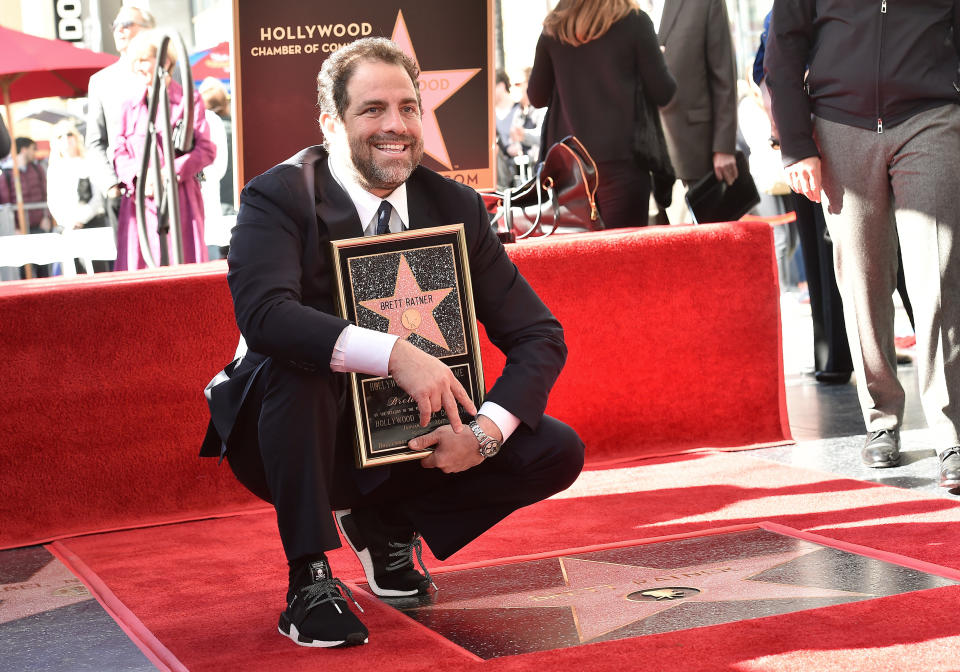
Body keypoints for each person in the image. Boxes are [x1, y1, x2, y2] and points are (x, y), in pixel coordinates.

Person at [199, 37, 584, 649]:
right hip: (293, 435)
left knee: (555, 449)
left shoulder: (454, 203)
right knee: (297, 368)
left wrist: (481, 436)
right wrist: (396, 353)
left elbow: (539, 334)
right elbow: (265, 315)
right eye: (372, 109)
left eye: (408, 108)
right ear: (330, 122)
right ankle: (310, 579)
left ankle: (385, 525)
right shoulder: (279, 196)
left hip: (411, 436)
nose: (396, 126)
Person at [765, 0, 960, 489]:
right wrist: (795, 144)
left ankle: (952, 430)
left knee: (938, 273)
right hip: (839, 126)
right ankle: (881, 420)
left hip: (931, 116)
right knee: (861, 276)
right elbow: (783, 45)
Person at [527, 0, 676, 229]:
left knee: (581, 259)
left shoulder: (554, 29)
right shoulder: (635, 21)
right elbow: (663, 92)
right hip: (625, 164)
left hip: (571, 171)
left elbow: (537, 97)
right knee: (627, 256)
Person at [113, 30, 215, 270]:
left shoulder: (188, 100)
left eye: (143, 60)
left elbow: (206, 150)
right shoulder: (129, 104)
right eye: (134, 61)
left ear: (165, 62)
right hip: (141, 204)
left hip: (179, 202)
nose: (137, 67)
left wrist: (168, 173)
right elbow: (118, 150)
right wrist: (139, 178)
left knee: (183, 272)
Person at [651, 0, 738, 224]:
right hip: (642, 159)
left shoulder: (705, 4)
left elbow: (723, 77)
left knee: (702, 249)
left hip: (693, 152)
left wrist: (723, 146)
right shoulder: (621, 7)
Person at [85, 3, 156, 240]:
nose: (119, 30)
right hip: (123, 192)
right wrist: (110, 186)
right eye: (115, 25)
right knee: (130, 270)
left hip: (167, 189)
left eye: (127, 24)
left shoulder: (168, 71)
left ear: (149, 29)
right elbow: (94, 142)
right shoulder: (101, 81)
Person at [45, 121, 110, 273]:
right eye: (60, 136)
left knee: (99, 274)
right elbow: (53, 201)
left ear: (76, 137)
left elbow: (98, 197)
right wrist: (68, 222)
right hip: (67, 229)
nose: (66, 139)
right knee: (74, 275)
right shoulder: (55, 168)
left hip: (92, 225)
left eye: (69, 134)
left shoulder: (89, 162)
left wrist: (80, 219)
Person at [0, 137, 53, 277]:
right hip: (20, 230)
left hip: (39, 225)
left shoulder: (37, 169)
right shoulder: (6, 173)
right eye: (32, 149)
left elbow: (45, 194)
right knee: (24, 270)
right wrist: (15, 227)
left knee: (44, 268)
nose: (35, 152)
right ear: (24, 150)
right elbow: (6, 201)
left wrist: (46, 217)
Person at [198, 78, 231, 259]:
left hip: (215, 206)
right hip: (231, 205)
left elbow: (218, 170)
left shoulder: (211, 125)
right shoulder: (237, 129)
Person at [493, 70, 522, 190]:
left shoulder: (520, 110)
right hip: (500, 167)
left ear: (501, 85)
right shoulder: (490, 115)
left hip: (521, 164)